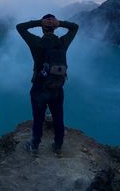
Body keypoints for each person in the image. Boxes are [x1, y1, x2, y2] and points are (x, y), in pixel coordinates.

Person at [16, 14, 79, 157]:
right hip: (57, 87)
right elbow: (75, 27)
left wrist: (39, 22)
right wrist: (60, 22)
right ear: (55, 28)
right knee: (58, 117)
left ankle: (34, 146)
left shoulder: (36, 43)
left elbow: (19, 27)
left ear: (43, 29)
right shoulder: (62, 43)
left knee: (38, 118)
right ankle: (58, 146)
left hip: (39, 88)